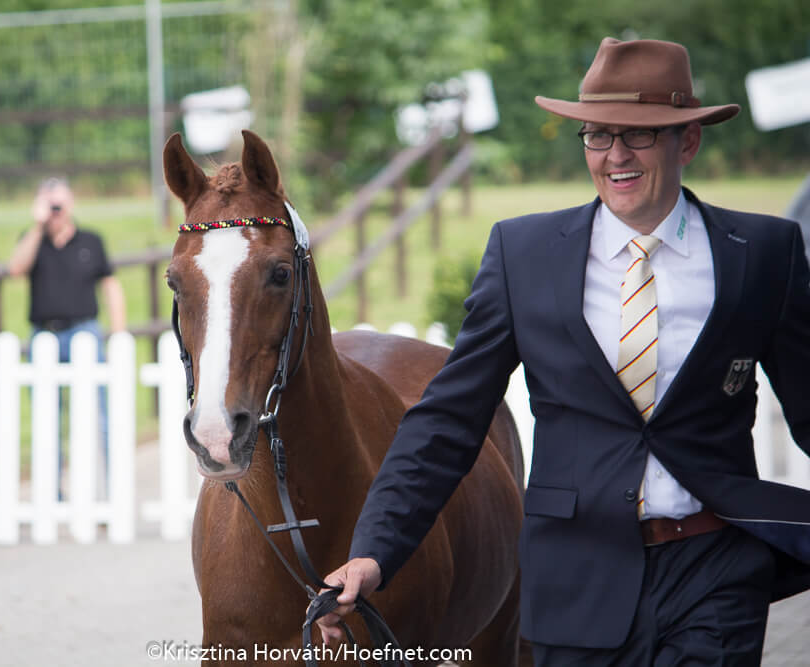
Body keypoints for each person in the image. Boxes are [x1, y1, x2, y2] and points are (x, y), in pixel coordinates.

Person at [319, 37, 810, 665]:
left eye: (638, 135)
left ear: (687, 141)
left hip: (715, 572)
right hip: (574, 577)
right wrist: (374, 551)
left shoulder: (763, 254)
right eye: (598, 136)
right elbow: (448, 420)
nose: (615, 156)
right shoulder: (523, 256)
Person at [8, 177, 126, 494]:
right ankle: (53, 495)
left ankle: (110, 490)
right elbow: (16, 268)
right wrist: (37, 227)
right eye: (49, 206)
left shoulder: (91, 240)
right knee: (46, 419)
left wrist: (118, 334)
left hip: (84, 333)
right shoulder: (33, 241)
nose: (55, 212)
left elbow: (111, 286)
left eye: (58, 205)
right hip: (43, 336)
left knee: (99, 417)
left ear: (71, 204)